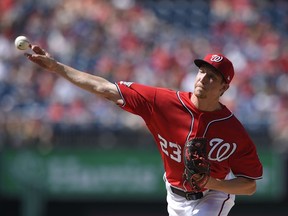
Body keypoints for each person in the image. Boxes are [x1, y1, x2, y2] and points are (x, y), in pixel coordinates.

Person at [25, 45, 263, 216]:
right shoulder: (162, 102)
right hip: (174, 195)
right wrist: (56, 67)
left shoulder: (233, 131)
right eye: (202, 71)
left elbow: (249, 185)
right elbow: (104, 88)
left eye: (212, 77)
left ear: (224, 87)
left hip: (212, 198)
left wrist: (213, 183)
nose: (203, 78)